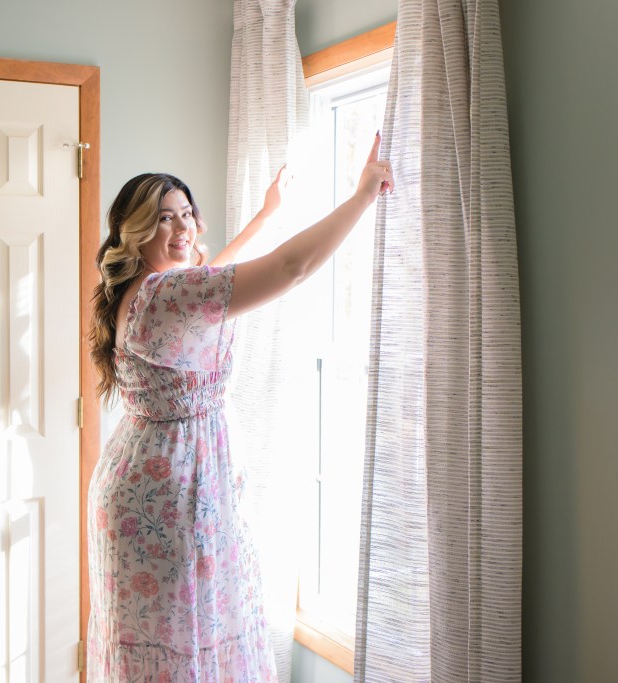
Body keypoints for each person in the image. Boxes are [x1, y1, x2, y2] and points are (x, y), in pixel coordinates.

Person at [86, 134, 394, 682]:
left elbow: (216, 277)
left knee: (182, 638)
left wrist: (264, 215)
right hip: (169, 493)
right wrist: (362, 194)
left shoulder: (153, 288)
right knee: (186, 637)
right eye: (163, 219)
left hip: (158, 477)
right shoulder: (163, 295)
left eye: (187, 214)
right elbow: (290, 268)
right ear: (134, 232)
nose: (182, 229)